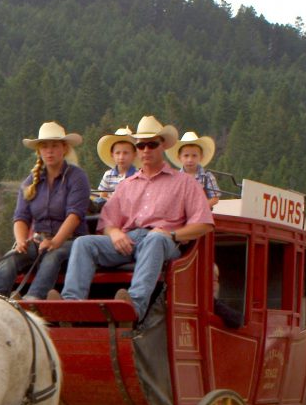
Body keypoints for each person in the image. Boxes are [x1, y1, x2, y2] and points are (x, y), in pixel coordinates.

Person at [60, 115, 214, 320]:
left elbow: (204, 224)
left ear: (163, 146)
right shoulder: (126, 185)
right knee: (83, 243)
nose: (146, 150)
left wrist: (172, 234)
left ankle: (133, 307)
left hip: (165, 242)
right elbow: (107, 222)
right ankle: (70, 305)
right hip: (129, 239)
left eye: (152, 144)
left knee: (155, 239)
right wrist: (114, 233)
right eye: (141, 145)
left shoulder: (184, 182)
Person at [0, 121, 90, 300]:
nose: (49, 151)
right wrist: (20, 242)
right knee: (10, 258)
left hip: (71, 241)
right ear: (39, 151)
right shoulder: (29, 182)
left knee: (52, 256)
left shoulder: (77, 177)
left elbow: (75, 216)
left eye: (54, 146)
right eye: (45, 147)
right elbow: (21, 217)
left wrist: (55, 241)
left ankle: (33, 299)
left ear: (64, 148)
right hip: (39, 240)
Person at [167, 131, 220, 206]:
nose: (190, 160)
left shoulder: (207, 176)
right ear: (179, 157)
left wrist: (201, 208)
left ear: (201, 157)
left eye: (194, 156)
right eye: (186, 156)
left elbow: (215, 198)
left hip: (202, 215)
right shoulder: (175, 178)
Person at [93, 126, 137, 205]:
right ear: (112, 155)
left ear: (134, 155)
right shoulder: (108, 175)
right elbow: (102, 196)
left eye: (125, 153)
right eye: (118, 153)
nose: (121, 157)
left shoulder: (138, 176)